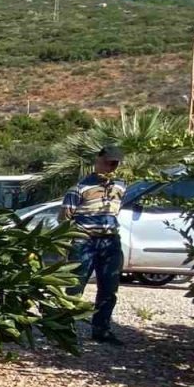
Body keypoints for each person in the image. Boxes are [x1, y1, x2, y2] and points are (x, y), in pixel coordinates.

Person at [60, 145, 127, 345]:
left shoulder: (121, 186)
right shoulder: (79, 188)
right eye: (108, 162)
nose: (111, 166)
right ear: (98, 160)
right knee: (75, 285)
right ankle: (65, 329)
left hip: (110, 241)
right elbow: (64, 217)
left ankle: (102, 329)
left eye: (114, 163)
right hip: (84, 240)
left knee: (109, 287)